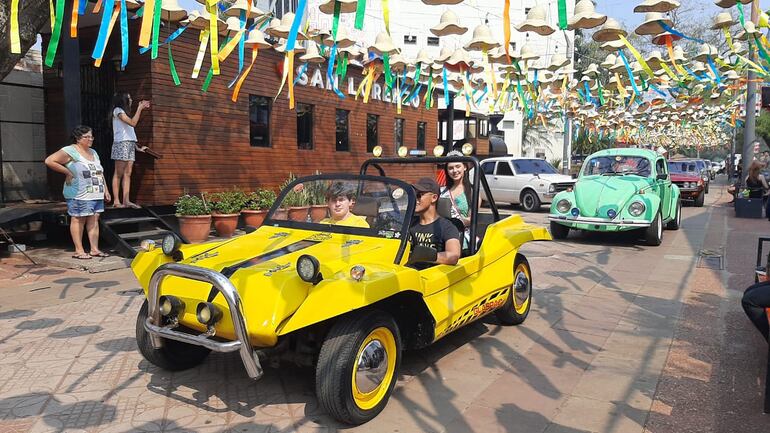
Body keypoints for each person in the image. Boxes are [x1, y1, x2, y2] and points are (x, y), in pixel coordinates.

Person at [45, 125, 111, 259]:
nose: (90, 139)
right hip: (79, 192)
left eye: (91, 136)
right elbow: (49, 161)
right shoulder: (70, 150)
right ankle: (79, 250)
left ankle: (94, 249)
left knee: (94, 219)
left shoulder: (94, 152)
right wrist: (67, 172)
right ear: (78, 138)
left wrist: (106, 189)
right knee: (79, 218)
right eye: (87, 137)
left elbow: (99, 172)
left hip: (95, 192)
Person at [409, 177, 461, 269]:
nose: (415, 199)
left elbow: (453, 256)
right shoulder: (409, 223)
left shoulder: (447, 227)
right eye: (413, 195)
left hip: (432, 276)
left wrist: (422, 256)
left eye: (419, 195)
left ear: (434, 198)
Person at [110, 92, 150, 208]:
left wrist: (137, 147)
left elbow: (129, 133)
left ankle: (126, 200)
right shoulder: (118, 110)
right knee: (119, 173)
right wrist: (140, 108)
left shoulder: (124, 113)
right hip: (121, 144)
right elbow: (133, 123)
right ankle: (117, 201)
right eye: (129, 98)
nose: (131, 100)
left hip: (129, 144)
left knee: (128, 173)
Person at [440, 151, 478, 248]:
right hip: (441, 233)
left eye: (458, 166)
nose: (454, 170)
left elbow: (471, 219)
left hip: (461, 236)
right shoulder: (442, 191)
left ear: (464, 167)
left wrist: (453, 223)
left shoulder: (473, 193)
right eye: (451, 168)